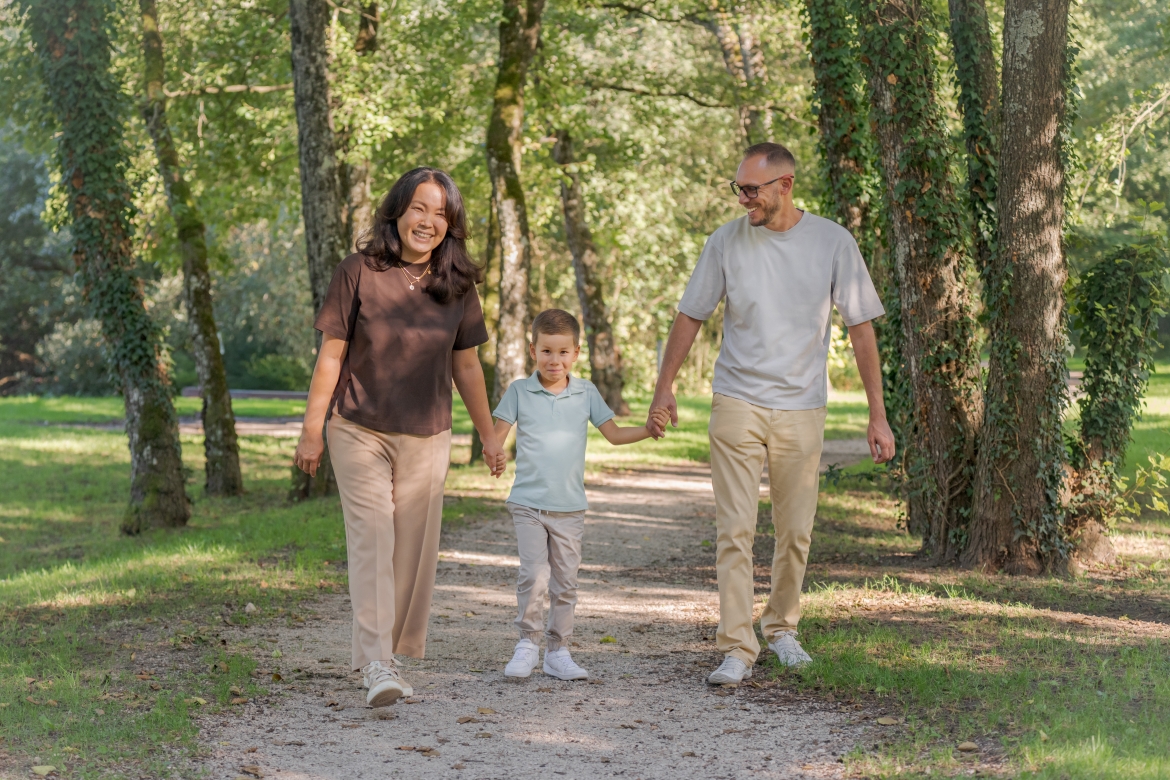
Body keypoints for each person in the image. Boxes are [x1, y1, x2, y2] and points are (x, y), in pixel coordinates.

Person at [647, 142, 895, 685]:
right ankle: (737, 645)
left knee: (796, 531)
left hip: (801, 406)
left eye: (752, 189)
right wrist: (664, 388)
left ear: (784, 185)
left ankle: (781, 628)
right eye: (738, 188)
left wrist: (877, 414)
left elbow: (861, 329)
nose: (743, 199)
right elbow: (691, 315)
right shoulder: (725, 242)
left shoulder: (832, 241)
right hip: (736, 398)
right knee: (734, 529)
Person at [293, 167, 507, 708]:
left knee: (410, 554)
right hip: (357, 425)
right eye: (420, 208)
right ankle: (378, 665)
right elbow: (331, 357)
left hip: (427, 434)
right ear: (398, 211)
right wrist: (311, 431)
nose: (429, 221)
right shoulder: (358, 272)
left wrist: (488, 435)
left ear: (450, 226)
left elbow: (468, 369)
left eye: (441, 213)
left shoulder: (458, 286)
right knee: (373, 539)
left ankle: (379, 654)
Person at [491, 309, 671, 681]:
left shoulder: (585, 392)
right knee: (534, 576)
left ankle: (558, 651)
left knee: (565, 582)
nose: (553, 360)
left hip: (570, 507)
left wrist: (648, 429)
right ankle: (527, 643)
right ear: (532, 350)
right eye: (546, 351)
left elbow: (614, 434)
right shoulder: (519, 391)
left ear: (575, 353)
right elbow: (497, 435)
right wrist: (492, 453)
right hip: (527, 502)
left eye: (562, 352)